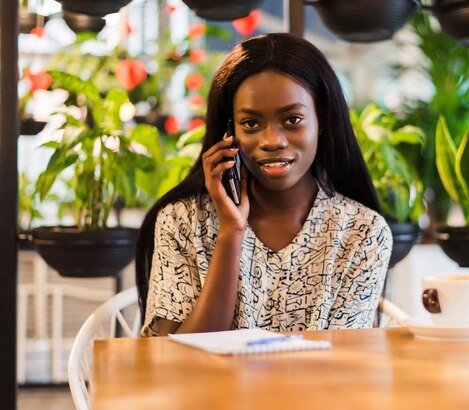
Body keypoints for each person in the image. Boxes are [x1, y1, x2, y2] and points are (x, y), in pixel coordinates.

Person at [135, 33, 392, 337]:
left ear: (321, 119)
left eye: (293, 119)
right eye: (251, 124)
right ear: (229, 131)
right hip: (201, 386)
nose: (273, 141)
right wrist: (231, 234)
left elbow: (342, 365)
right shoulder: (182, 221)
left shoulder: (363, 232)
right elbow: (169, 358)